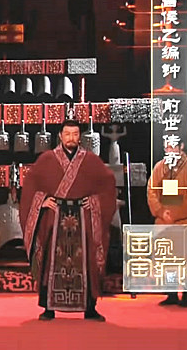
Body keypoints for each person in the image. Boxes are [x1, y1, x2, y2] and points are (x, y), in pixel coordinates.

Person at [19, 119, 117, 321]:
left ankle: (90, 308)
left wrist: (95, 201)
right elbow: (31, 187)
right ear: (60, 136)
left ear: (80, 136)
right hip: (55, 218)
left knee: (87, 261)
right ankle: (48, 307)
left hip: (83, 217)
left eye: (75, 134)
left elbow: (108, 186)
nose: (71, 138)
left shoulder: (90, 161)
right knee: (51, 261)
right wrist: (41, 201)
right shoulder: (47, 159)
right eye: (67, 134)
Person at [147, 143, 187, 307]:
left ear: (181, 146)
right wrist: (161, 211)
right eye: (167, 147)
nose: (170, 150)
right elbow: (151, 190)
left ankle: (186, 296)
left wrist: (176, 214)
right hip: (164, 220)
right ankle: (171, 294)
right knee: (167, 260)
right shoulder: (160, 167)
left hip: (185, 220)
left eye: (173, 147)